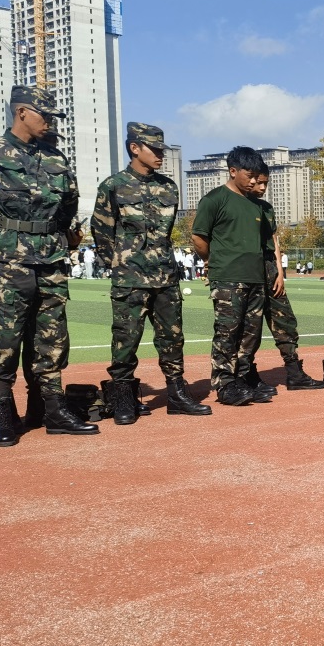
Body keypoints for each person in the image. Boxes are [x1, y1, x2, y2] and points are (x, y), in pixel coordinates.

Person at [0, 85, 98, 444]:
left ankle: (50, 410)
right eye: (44, 115)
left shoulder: (55, 158)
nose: (50, 122)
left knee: (51, 337)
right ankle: (4, 414)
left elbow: (69, 204)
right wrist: (4, 230)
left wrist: (55, 233)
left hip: (51, 260)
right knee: (4, 338)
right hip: (9, 262)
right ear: (21, 112)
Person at [92, 122, 212, 423]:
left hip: (165, 276)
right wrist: (119, 264)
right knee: (125, 339)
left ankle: (177, 394)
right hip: (130, 277)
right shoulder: (113, 185)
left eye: (162, 149)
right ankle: (123, 398)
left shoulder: (168, 187)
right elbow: (101, 231)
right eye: (154, 149)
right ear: (135, 148)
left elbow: (166, 233)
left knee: (173, 337)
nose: (160, 155)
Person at [191, 146, 272, 406]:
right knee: (227, 332)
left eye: (257, 176)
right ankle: (225, 383)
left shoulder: (255, 205)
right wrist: (211, 261)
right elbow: (198, 236)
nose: (254, 182)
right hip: (227, 278)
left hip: (255, 278)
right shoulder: (215, 199)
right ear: (233, 171)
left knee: (251, 334)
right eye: (249, 176)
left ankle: (243, 378)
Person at [245, 171, 324, 391]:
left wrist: (280, 272)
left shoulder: (266, 208)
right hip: (247, 269)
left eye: (266, 183)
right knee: (249, 327)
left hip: (270, 269)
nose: (262, 187)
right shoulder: (237, 205)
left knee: (285, 321)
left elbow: (274, 240)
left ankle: (294, 372)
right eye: (259, 183)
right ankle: (247, 374)